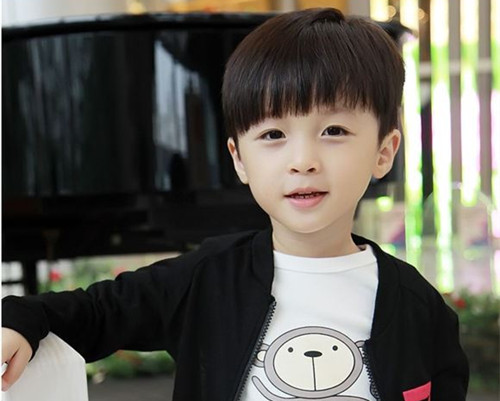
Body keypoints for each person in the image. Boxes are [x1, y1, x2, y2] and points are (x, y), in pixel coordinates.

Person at [2, 8, 468, 401]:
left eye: (334, 131)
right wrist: (18, 322)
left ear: (384, 152)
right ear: (239, 159)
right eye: (273, 134)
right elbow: (90, 313)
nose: (302, 161)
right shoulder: (206, 279)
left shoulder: (420, 308)